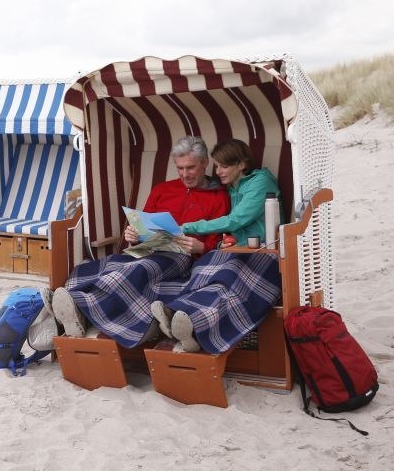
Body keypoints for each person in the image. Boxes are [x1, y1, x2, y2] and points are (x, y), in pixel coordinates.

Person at [50, 136, 230, 348]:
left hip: (182, 257)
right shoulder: (162, 189)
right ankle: (72, 306)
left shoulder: (218, 196)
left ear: (205, 163)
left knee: (136, 269)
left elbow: (219, 242)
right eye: (179, 168)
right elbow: (143, 226)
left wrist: (202, 247)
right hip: (148, 248)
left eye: (190, 167)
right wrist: (133, 234)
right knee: (100, 266)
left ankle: (80, 307)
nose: (184, 174)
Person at [150, 139, 283, 353]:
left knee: (226, 275)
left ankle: (189, 322)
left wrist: (188, 227)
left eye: (223, 166)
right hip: (236, 249)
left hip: (263, 252)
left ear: (241, 164)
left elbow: (236, 220)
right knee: (205, 268)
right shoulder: (232, 187)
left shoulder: (261, 182)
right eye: (217, 166)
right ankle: (180, 315)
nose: (218, 172)